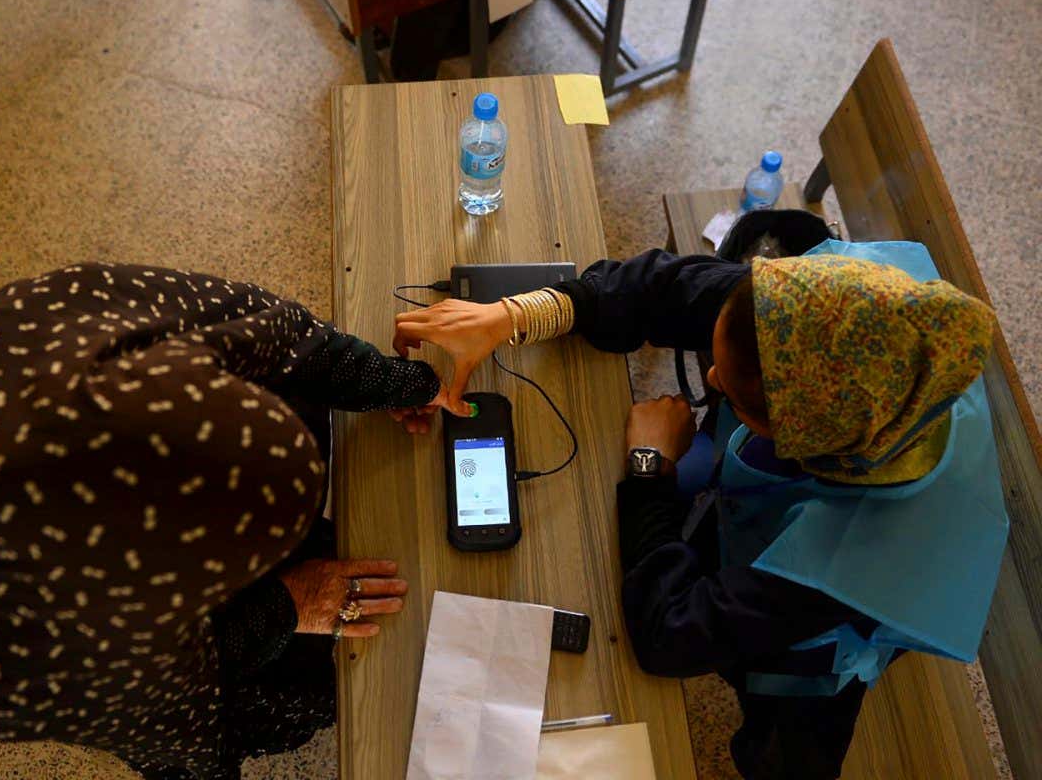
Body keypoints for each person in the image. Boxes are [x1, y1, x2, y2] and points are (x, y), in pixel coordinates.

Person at [393, 243, 1009, 779]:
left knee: (792, 736)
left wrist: (647, 468)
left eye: (733, 395)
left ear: (798, 439)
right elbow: (663, 288)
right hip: (782, 516)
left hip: (827, 628)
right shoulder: (827, 309)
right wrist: (515, 313)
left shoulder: (856, 560)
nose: (709, 376)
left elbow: (670, 638)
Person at [0, 263, 458, 780]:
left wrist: (394, 382)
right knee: (293, 698)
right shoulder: (64, 652)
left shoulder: (68, 322)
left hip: (11, 427)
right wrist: (287, 605)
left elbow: (277, 334)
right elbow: (189, 742)